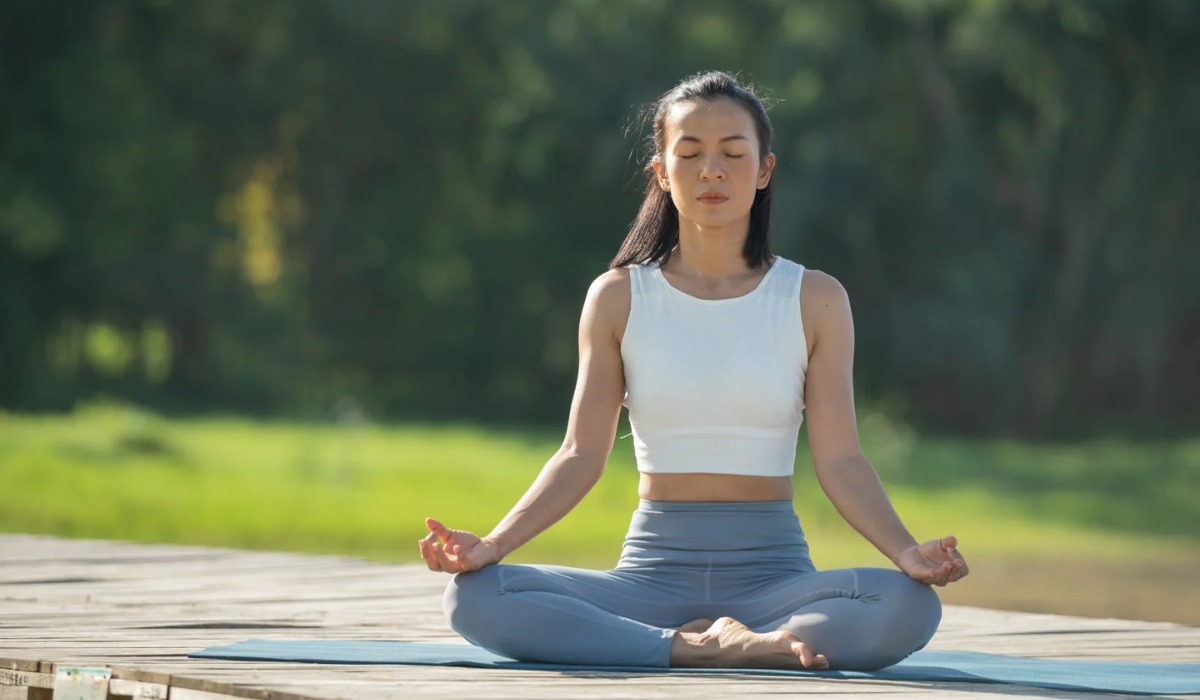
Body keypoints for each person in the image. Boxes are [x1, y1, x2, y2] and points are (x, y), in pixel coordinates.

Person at [418, 70, 969, 672]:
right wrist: (492, 546)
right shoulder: (618, 298)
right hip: (649, 580)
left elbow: (840, 460)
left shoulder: (815, 299)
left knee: (906, 606)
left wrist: (906, 554)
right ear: (661, 172)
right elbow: (580, 453)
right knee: (476, 596)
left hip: (775, 583)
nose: (712, 170)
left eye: (734, 153)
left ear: (763, 171)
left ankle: (722, 642)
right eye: (690, 153)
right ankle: (699, 648)